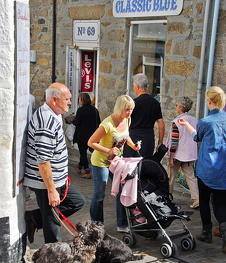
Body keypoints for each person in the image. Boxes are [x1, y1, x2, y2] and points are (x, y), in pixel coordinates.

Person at [23, 83, 86, 244]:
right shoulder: (46, 122)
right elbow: (43, 161)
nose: (70, 103)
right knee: (52, 220)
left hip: (58, 177)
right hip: (45, 182)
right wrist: (51, 190)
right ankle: (52, 257)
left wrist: (63, 176)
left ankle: (35, 218)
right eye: (67, 99)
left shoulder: (54, 115)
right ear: (54, 99)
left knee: (77, 201)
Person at [178, 86, 226, 253]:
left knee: (204, 201)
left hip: (207, 169)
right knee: (220, 204)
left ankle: (207, 233)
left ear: (209, 102)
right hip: (223, 169)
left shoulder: (205, 122)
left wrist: (186, 126)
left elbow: (196, 136)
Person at [88, 95, 141, 232]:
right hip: (101, 162)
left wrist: (133, 145)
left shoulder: (127, 119)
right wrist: (108, 150)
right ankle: (96, 226)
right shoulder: (107, 124)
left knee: (122, 191)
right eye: (127, 109)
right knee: (99, 194)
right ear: (119, 108)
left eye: (131, 110)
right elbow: (91, 142)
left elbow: (125, 134)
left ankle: (122, 224)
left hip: (117, 162)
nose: (129, 112)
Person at [165, 96, 199, 209]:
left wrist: (171, 157)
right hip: (190, 154)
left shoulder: (176, 121)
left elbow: (174, 141)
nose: (175, 107)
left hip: (178, 154)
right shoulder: (195, 120)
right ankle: (196, 198)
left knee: (171, 176)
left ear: (181, 107)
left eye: (176, 105)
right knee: (190, 176)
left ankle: (168, 198)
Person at [123, 73, 165, 158]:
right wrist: (160, 141)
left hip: (133, 137)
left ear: (137, 87)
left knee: (130, 165)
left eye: (134, 86)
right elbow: (161, 125)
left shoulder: (133, 103)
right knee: (146, 163)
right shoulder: (155, 103)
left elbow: (124, 122)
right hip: (148, 138)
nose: (134, 88)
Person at [67, 93, 101, 179]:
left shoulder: (81, 110)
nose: (79, 101)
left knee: (83, 153)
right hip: (92, 135)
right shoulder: (94, 110)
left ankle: (87, 171)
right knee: (84, 153)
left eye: (80, 99)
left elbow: (77, 122)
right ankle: (79, 167)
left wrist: (71, 120)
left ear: (82, 100)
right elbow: (99, 122)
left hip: (82, 136)